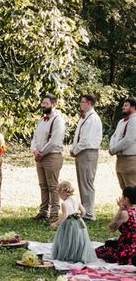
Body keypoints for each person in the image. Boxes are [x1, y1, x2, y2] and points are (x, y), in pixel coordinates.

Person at [30, 93, 66, 224]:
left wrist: (42, 152)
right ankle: (43, 211)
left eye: (46, 103)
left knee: (53, 186)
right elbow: (34, 137)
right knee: (43, 186)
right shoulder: (42, 120)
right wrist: (34, 150)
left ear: (53, 104)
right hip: (39, 157)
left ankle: (54, 214)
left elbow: (54, 141)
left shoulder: (58, 120)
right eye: (43, 103)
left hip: (52, 156)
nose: (43, 105)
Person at [70, 94, 103, 222]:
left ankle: (89, 212)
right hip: (81, 152)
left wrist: (75, 150)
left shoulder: (93, 118)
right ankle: (85, 210)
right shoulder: (85, 118)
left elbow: (86, 139)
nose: (80, 104)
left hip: (88, 152)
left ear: (89, 103)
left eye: (82, 102)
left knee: (87, 182)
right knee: (82, 182)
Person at [50, 181, 97, 263]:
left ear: (63, 192)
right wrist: (79, 218)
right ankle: (78, 254)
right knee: (78, 239)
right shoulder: (76, 199)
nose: (59, 196)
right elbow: (83, 212)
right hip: (78, 222)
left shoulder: (64, 203)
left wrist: (56, 223)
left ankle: (68, 254)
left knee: (67, 239)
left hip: (69, 224)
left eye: (59, 194)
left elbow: (65, 215)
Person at [96, 187, 136, 265]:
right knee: (109, 244)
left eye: (122, 196)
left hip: (127, 247)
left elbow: (112, 228)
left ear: (126, 199)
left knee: (100, 251)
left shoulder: (125, 213)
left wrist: (120, 210)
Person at [109, 97, 136, 189]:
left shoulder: (134, 120)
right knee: (124, 190)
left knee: (132, 190)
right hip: (120, 160)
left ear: (133, 107)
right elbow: (114, 136)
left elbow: (128, 139)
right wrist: (111, 148)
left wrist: (114, 149)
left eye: (126, 105)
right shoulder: (121, 121)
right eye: (123, 105)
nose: (123, 107)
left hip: (130, 160)